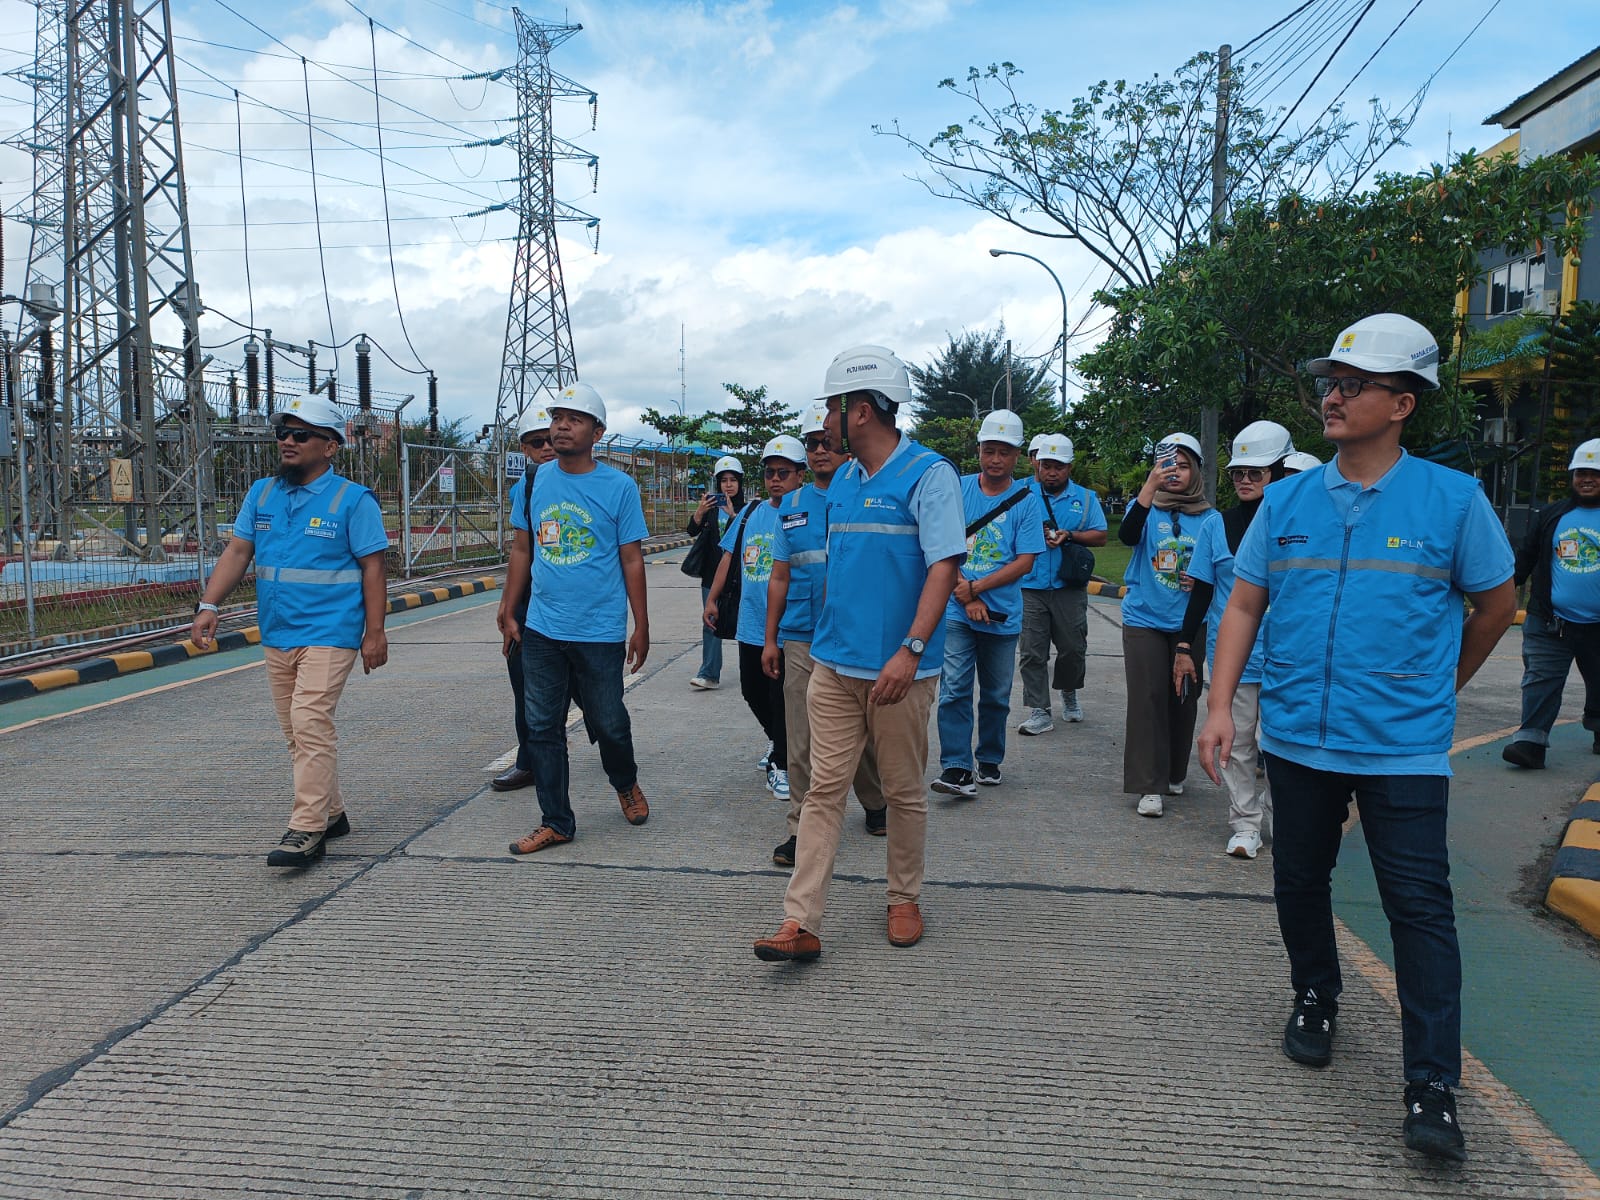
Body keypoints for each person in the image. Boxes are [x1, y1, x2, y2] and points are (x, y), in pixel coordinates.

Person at [1198, 313, 1516, 1163]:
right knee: (1299, 881)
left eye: (1352, 385)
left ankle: (1432, 1087)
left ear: (1403, 403)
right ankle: (1315, 994)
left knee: (1420, 911)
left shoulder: (1452, 501)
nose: (1331, 398)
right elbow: (1245, 603)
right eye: (1328, 384)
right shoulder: (1290, 498)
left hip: (1403, 749)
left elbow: (1495, 606)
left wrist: (1439, 686)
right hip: (1300, 737)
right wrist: (1221, 703)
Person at [753, 345, 965, 961]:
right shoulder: (842, 479)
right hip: (833, 666)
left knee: (902, 791)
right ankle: (802, 921)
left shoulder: (930, 475)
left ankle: (903, 896)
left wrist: (911, 649)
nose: (824, 420)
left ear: (863, 410)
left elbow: (944, 566)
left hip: (901, 671)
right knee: (824, 791)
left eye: (833, 407)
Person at [190, 394, 389, 868]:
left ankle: (306, 828)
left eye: (302, 434)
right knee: (297, 733)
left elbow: (373, 568)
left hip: (330, 631)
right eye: (283, 433)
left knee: (310, 723)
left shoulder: (352, 500)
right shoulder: (261, 493)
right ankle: (333, 812)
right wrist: (208, 604)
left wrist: (375, 632)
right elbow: (239, 552)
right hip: (278, 632)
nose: (288, 442)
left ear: (331, 446)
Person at [502, 382, 652, 853]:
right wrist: (507, 609)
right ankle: (556, 821)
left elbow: (631, 559)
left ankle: (624, 782)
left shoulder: (619, 487)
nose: (561, 426)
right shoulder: (534, 481)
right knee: (542, 726)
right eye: (557, 417)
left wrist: (641, 625)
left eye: (575, 418)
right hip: (543, 628)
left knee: (608, 722)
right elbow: (523, 548)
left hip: (599, 631)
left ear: (598, 432)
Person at [763, 403, 888, 867]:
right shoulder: (791, 506)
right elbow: (779, 576)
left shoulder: (869, 493)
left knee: (865, 736)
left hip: (857, 638)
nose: (819, 451)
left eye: (827, 442)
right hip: (801, 638)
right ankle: (800, 828)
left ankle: (876, 803)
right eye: (812, 444)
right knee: (801, 740)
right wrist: (771, 639)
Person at [1175, 420, 1294, 860]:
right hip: (1237, 659)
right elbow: (1203, 590)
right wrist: (1184, 647)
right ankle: (1245, 824)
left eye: (1255, 473)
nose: (1244, 480)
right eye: (1237, 473)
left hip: (1289, 658)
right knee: (1238, 743)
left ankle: (1283, 818)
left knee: (1281, 747)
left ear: (1280, 472)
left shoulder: (1299, 523)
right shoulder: (1216, 526)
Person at [932, 410, 1043, 795]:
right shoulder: (958, 490)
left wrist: (976, 589)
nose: (996, 459)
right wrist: (963, 590)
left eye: (1005, 453)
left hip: (1001, 615)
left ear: (1018, 457)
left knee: (995, 695)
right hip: (956, 609)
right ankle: (957, 767)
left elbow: (1025, 561)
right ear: (978, 450)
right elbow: (941, 544)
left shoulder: (1027, 500)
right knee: (954, 688)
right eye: (989, 451)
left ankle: (990, 758)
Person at [1117, 432, 1222, 818]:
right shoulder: (1145, 508)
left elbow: (1218, 570)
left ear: (1196, 470)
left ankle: (1175, 771)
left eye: (1182, 465)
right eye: (1167, 465)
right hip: (1144, 617)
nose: (1174, 472)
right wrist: (1148, 488)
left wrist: (1202, 579)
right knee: (1146, 700)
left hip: (1190, 623)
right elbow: (1127, 535)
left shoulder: (1212, 519)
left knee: (1183, 699)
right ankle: (1149, 785)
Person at [704, 436, 806, 800]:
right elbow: (728, 559)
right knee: (752, 690)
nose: (775, 479)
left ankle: (782, 761)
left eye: (784, 472)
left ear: (800, 475)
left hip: (789, 626)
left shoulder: (805, 513)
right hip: (751, 623)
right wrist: (712, 599)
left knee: (781, 697)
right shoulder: (750, 514)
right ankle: (778, 742)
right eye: (769, 473)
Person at [1503, 438, 1600, 769]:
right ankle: (1530, 741)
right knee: (1540, 679)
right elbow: (1525, 559)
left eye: (1595, 473)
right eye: (1581, 473)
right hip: (1550, 620)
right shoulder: (1552, 515)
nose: (1587, 479)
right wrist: (1500, 593)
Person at [1017, 433, 1108, 735]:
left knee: (1072, 648)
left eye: (1059, 466)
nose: (1052, 472)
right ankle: (1040, 710)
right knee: (1032, 651)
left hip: (1068, 587)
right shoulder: (1020, 493)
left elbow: (1101, 535)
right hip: (1030, 585)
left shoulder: (1084, 498)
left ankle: (1069, 691)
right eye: (1047, 466)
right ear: (1037, 465)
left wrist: (1069, 535)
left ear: (1070, 467)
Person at [491, 408, 557, 792]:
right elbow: (521, 551)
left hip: (574, 604)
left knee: (597, 697)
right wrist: (508, 605)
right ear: (525, 449)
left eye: (550, 439)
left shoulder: (589, 481)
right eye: (537, 442)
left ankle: (613, 746)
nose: (547, 448)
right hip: (531, 599)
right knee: (524, 684)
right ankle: (529, 761)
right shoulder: (525, 488)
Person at [685, 456, 745, 690]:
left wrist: (732, 515)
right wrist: (700, 512)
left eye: (732, 480)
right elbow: (692, 531)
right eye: (723, 480)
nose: (728, 485)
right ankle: (709, 673)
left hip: (738, 576)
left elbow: (745, 536)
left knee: (744, 622)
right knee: (710, 621)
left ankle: (752, 671)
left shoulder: (746, 509)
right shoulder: (710, 509)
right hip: (712, 575)